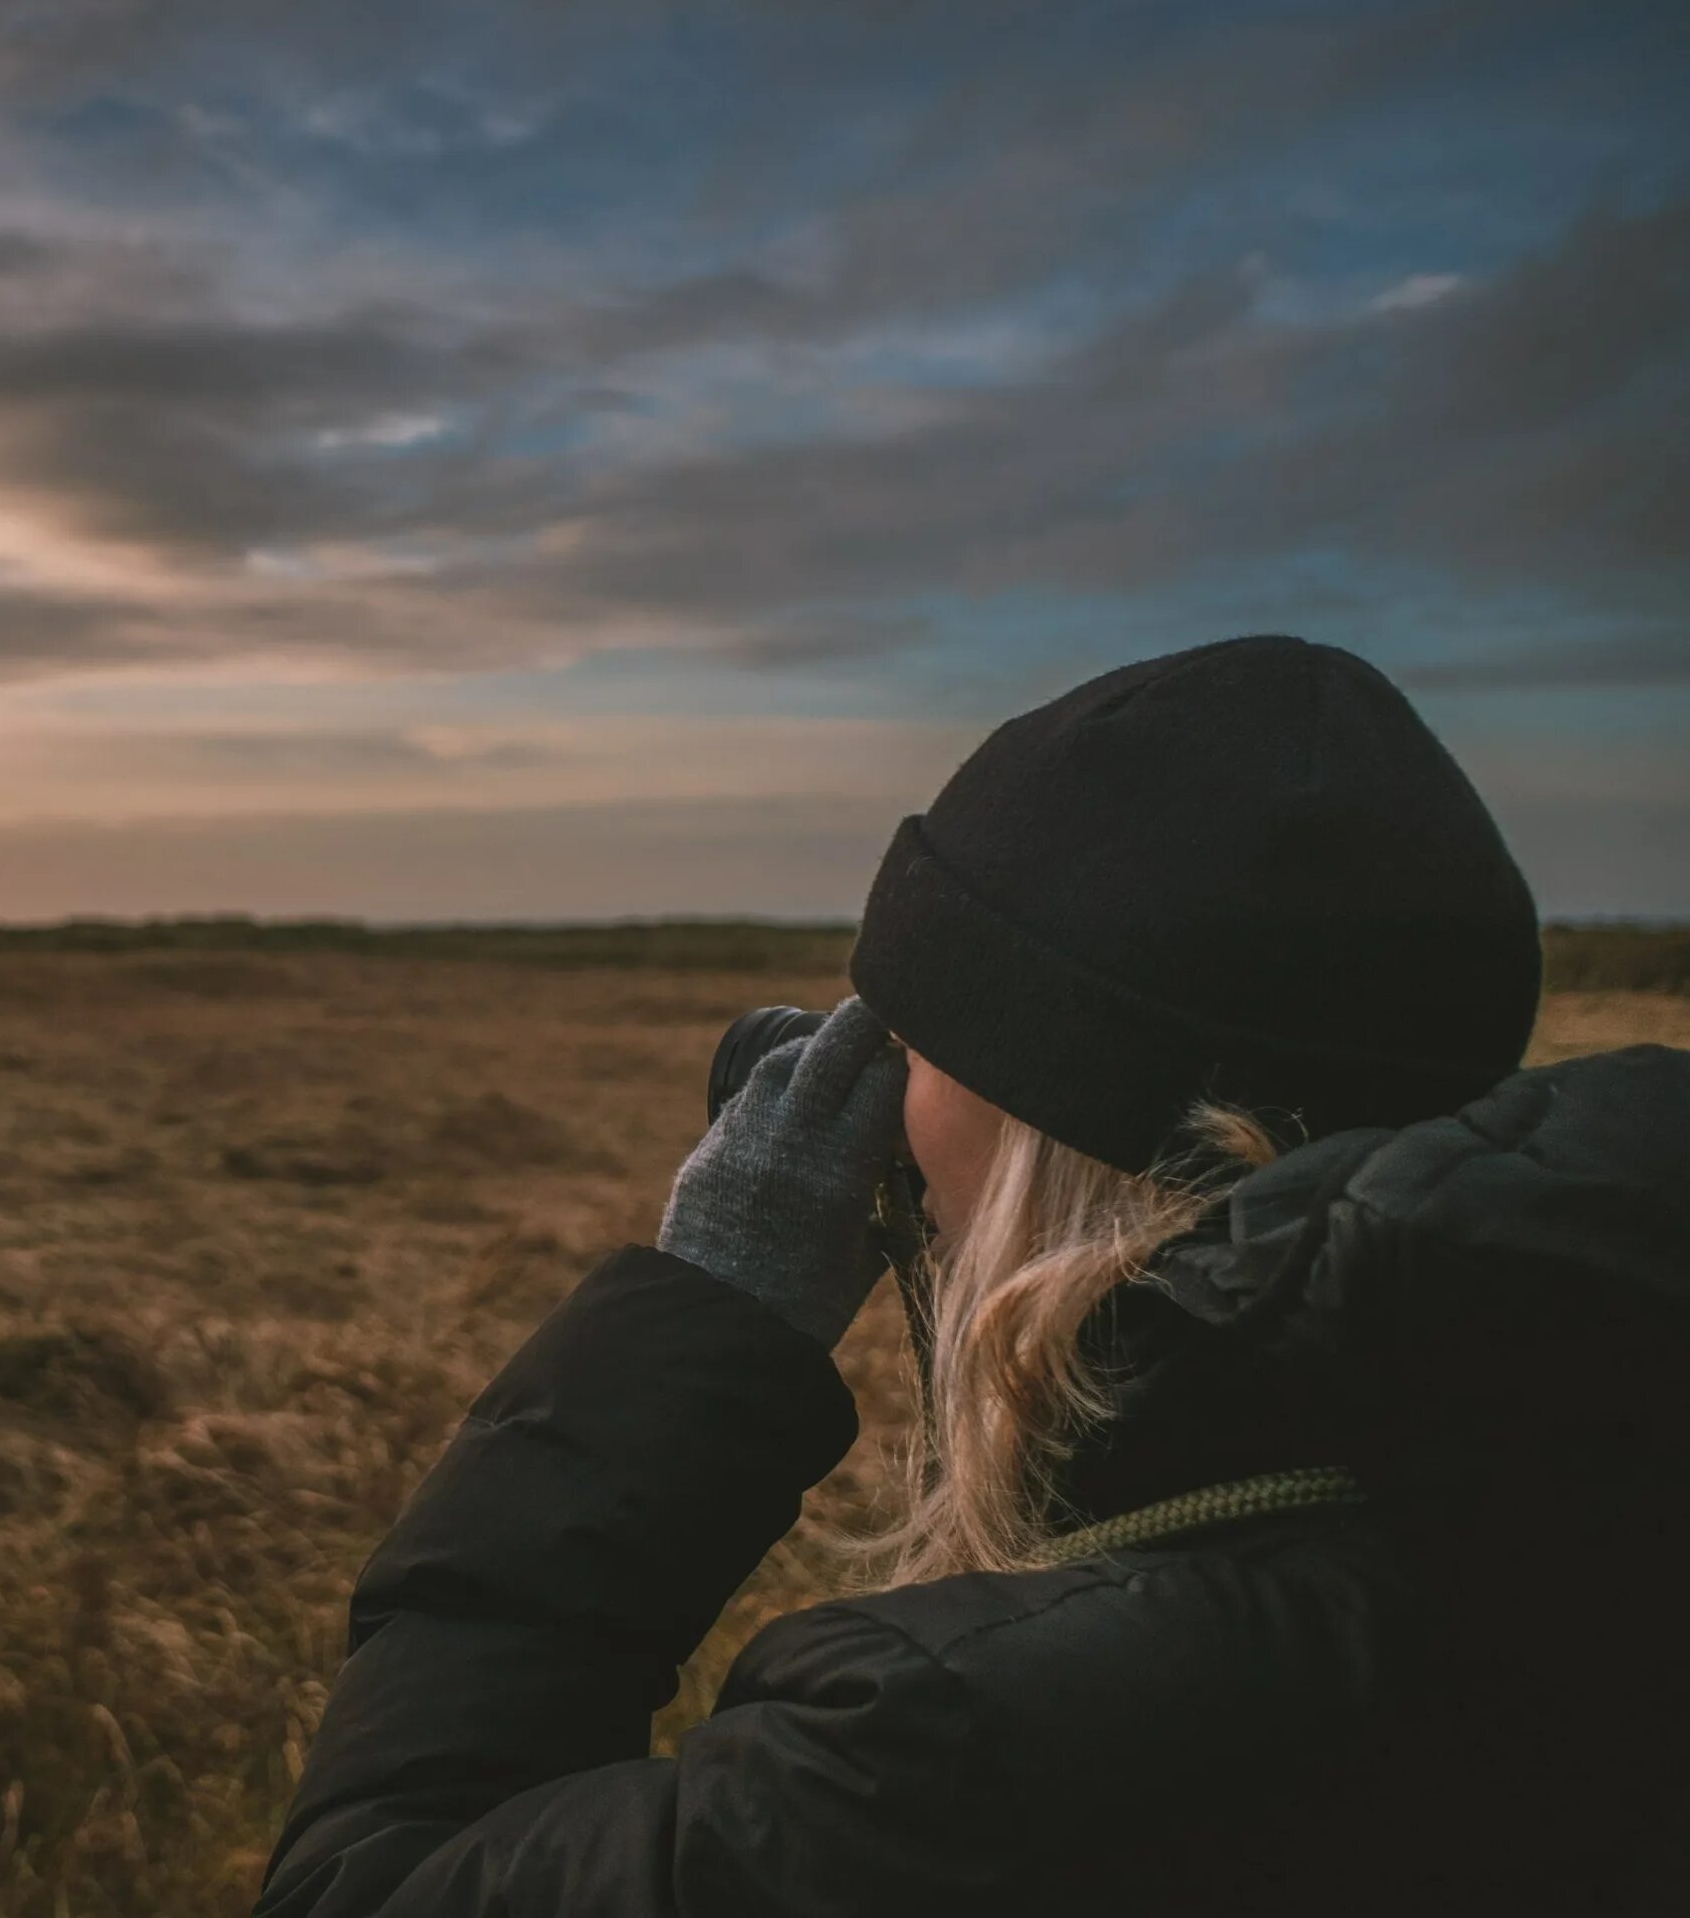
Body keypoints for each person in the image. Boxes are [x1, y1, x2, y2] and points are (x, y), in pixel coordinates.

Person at [253, 635, 1690, 1916]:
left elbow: (371, 1884)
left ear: (1047, 1126)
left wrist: (712, 1312)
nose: (882, 1091)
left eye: (913, 1046)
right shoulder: (1591, 1456)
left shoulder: (952, 1752)